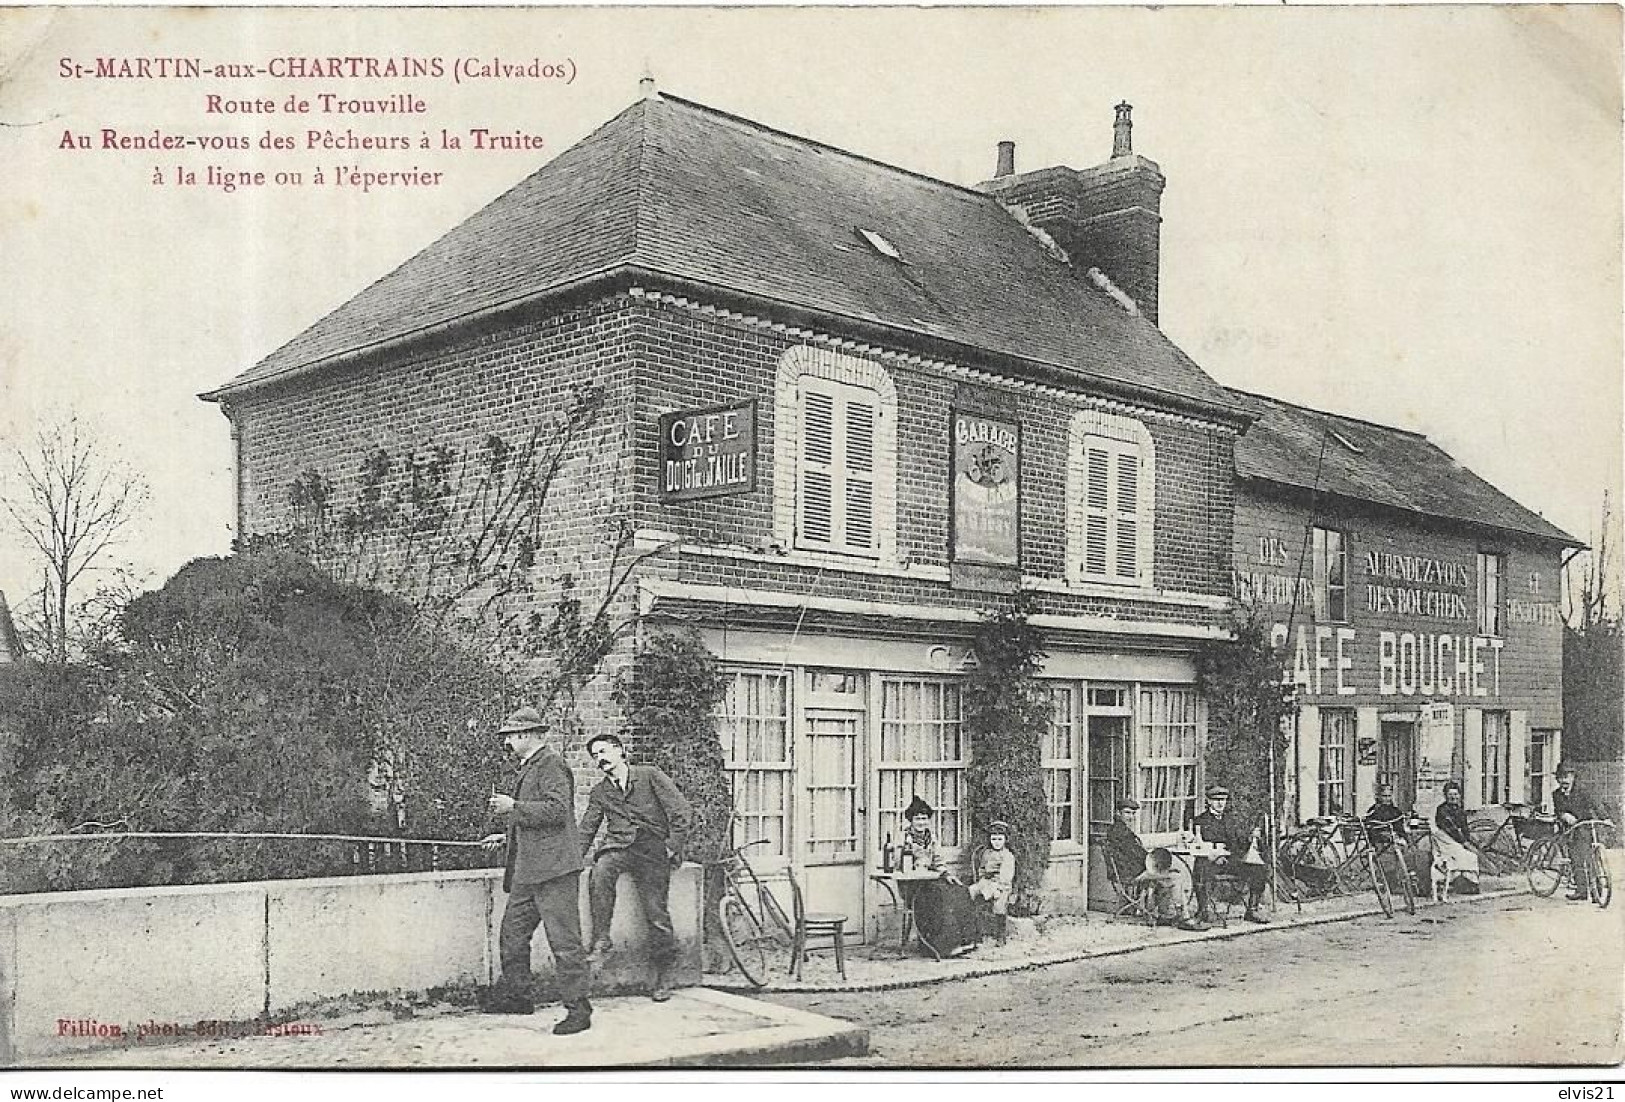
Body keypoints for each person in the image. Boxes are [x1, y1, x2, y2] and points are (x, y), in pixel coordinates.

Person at [478, 706, 593, 1034]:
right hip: (529, 870)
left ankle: (579, 1010)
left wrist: (513, 807)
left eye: (513, 736)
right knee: (512, 934)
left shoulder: (551, 764)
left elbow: (558, 811)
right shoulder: (531, 766)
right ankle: (519, 997)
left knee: (564, 942)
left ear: (530, 736)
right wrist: (506, 837)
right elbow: (539, 818)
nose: (509, 742)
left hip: (555, 870)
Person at [578, 732, 694, 1002]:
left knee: (655, 911)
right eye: (595, 756)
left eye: (604, 752)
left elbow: (681, 811)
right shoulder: (600, 792)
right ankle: (602, 940)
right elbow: (586, 830)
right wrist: (571, 861)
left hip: (653, 849)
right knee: (601, 871)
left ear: (620, 751)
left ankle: (664, 974)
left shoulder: (649, 775)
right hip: (620, 848)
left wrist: (671, 847)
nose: (600, 759)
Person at [1104, 798, 1203, 930]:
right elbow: (1135, 855)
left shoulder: (1122, 830)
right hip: (1130, 874)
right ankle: (1183, 916)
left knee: (1168, 873)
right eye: (1127, 813)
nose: (1131, 817)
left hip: (1133, 870)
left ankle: (1164, 914)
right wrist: (1152, 862)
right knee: (1174, 876)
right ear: (1118, 813)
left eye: (1133, 814)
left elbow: (1137, 854)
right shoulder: (1120, 833)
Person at [1192, 785, 1270, 924]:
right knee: (1200, 867)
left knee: (1259, 868)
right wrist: (1215, 855)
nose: (1221, 803)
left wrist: (1250, 838)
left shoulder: (1230, 821)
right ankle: (1203, 910)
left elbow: (1237, 843)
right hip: (1210, 861)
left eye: (1223, 800)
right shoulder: (1200, 820)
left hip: (1229, 862)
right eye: (1216, 800)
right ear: (1209, 801)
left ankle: (1252, 909)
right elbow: (1198, 844)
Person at [1551, 761, 1603, 901]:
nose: (1564, 781)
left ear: (1573, 777)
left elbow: (1596, 805)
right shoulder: (1556, 794)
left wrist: (1606, 818)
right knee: (1576, 860)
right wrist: (1564, 815)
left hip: (1586, 827)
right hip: (1570, 830)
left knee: (1590, 858)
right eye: (1561, 778)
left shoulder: (1583, 791)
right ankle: (1581, 891)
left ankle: (1596, 891)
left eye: (1567, 777)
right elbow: (1558, 811)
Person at [967, 820, 1018, 938]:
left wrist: (998, 888)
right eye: (993, 839)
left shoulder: (1007, 856)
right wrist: (981, 881)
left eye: (1000, 839)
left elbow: (1006, 876)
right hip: (986, 882)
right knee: (971, 891)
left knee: (999, 904)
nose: (996, 842)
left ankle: (1000, 935)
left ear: (1005, 840)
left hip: (1001, 884)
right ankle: (975, 933)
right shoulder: (987, 853)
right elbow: (982, 869)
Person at [1431, 780, 1480, 897]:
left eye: (1456, 794)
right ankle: (1457, 882)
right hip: (1444, 841)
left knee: (1471, 854)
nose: (1453, 797)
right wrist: (1464, 842)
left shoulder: (1460, 811)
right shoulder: (1442, 810)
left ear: (1459, 796)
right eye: (1450, 794)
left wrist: (1469, 840)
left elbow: (1464, 828)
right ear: (1446, 796)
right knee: (1467, 856)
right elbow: (1450, 828)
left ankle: (1467, 884)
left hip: (1455, 840)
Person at [1363, 783, 1412, 895]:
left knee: (1410, 852)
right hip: (1380, 842)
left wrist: (1403, 836)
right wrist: (1383, 835)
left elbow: (1400, 826)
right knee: (1389, 856)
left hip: (1394, 840)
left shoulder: (1395, 811)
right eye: (1384, 796)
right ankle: (1391, 883)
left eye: (1389, 796)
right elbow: (1370, 828)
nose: (1387, 799)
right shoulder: (1373, 811)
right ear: (1379, 797)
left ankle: (1405, 881)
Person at [900, 795, 946, 874]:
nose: (921, 823)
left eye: (924, 819)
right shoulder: (903, 837)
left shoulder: (932, 838)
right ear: (911, 820)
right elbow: (897, 863)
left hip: (929, 879)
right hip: (908, 879)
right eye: (917, 819)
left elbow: (938, 861)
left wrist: (945, 873)